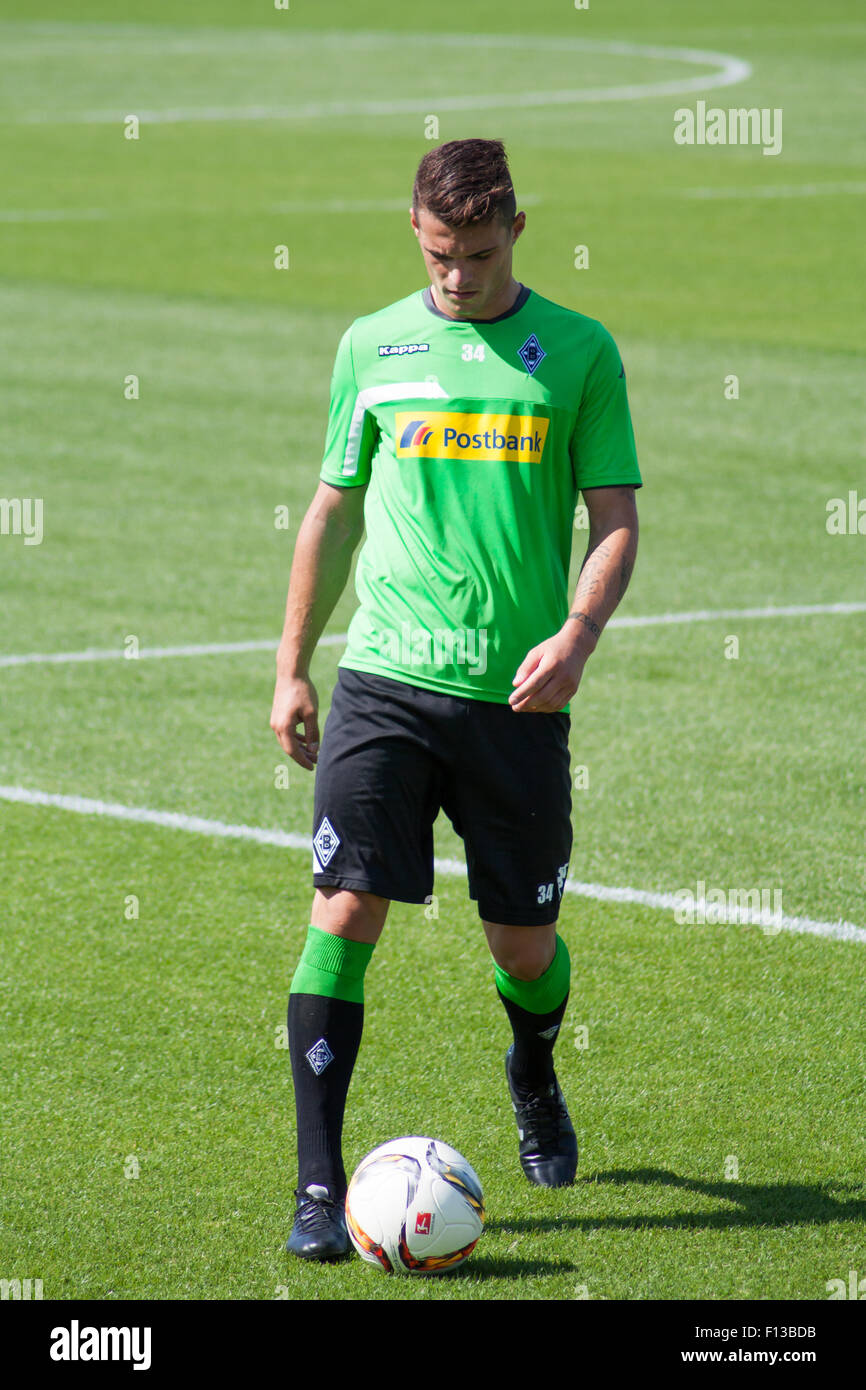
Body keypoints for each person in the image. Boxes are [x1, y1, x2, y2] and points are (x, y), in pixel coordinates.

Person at [270, 138, 641, 1260]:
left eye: (476, 254)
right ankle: (317, 1188)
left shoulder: (576, 352)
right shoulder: (370, 346)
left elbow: (614, 520)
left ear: (515, 231)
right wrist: (292, 662)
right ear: (416, 234)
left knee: (523, 947)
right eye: (438, 255)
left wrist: (576, 635)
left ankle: (531, 1070)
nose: (456, 278)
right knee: (343, 912)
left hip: (512, 706)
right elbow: (330, 513)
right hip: (383, 682)